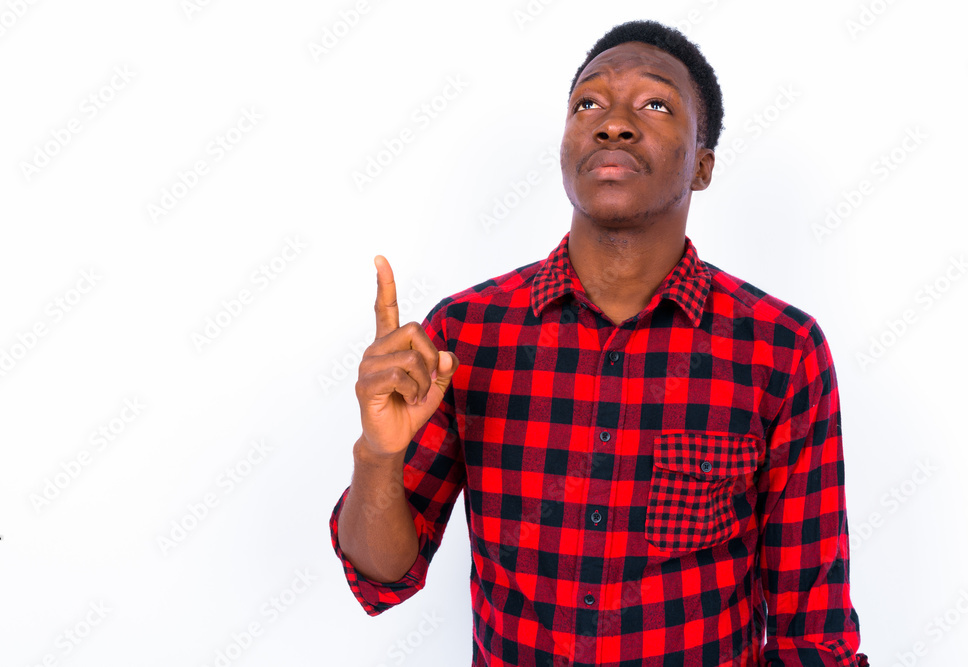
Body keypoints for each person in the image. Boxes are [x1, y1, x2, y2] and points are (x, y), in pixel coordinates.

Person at [330, 19, 869, 667]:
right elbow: (383, 575)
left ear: (702, 165)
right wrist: (379, 453)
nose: (612, 122)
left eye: (655, 103)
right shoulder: (464, 334)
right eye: (588, 102)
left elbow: (813, 631)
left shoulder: (781, 350)